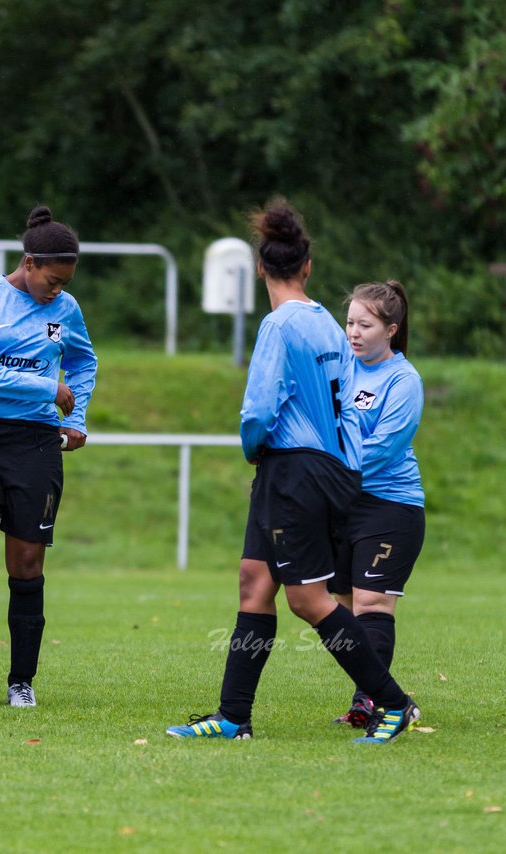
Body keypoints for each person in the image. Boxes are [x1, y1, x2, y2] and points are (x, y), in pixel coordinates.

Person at [165, 198, 419, 744]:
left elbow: (259, 411)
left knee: (308, 599)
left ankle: (392, 704)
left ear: (261, 269)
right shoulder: (329, 323)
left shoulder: (280, 326)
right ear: (306, 267)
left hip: (294, 471)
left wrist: (253, 449)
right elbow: (346, 407)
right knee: (254, 583)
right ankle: (234, 717)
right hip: (317, 469)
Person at [0, 204, 97, 709]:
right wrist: (47, 389)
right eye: (51, 280)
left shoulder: (66, 310)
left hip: (35, 443)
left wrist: (75, 418)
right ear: (29, 262)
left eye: (64, 283)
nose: (56, 291)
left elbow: (83, 360)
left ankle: (21, 680)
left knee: (27, 561)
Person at [328, 280, 425, 727]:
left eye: (364, 324)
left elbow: (383, 447)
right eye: (349, 322)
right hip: (342, 502)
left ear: (391, 329)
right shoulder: (339, 368)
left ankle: (376, 702)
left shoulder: (404, 380)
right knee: (343, 609)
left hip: (390, 506)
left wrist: (325, 467)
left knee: (372, 604)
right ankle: (369, 696)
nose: (353, 332)